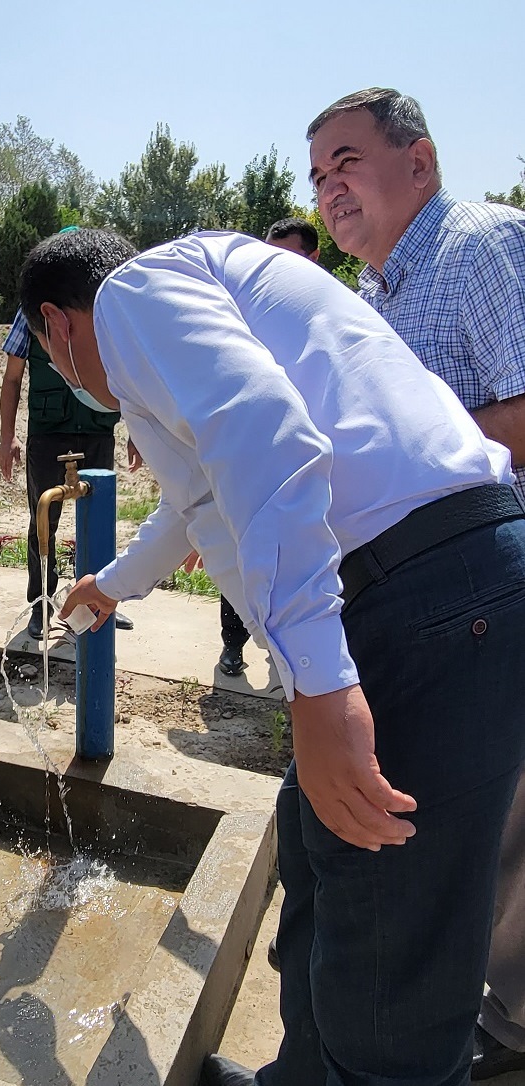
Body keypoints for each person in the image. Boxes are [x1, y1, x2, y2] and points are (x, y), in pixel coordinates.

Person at [18, 226, 525, 1086]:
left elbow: (266, 436)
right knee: (320, 858)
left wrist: (320, 684)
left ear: (57, 326)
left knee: (392, 966)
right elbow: (202, 495)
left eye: (45, 352)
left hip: (423, 598)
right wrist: (109, 585)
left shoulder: (131, 298)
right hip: (451, 586)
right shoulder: (195, 297)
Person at [308, 86, 525, 1082]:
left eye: (344, 161)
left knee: (496, 837)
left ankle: (495, 1035)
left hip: (490, 584)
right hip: (423, 606)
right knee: (451, 841)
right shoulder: (367, 298)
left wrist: (404, 470)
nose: (327, 188)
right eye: (316, 176)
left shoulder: (473, 249)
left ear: (419, 164)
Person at [210, 216, 322, 677]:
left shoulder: (330, 309)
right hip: (257, 450)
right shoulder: (248, 312)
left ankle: (297, 653)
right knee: (242, 546)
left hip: (310, 455)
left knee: (304, 555)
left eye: (287, 257)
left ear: (313, 259)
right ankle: (233, 643)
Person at [0, 305, 136, 641]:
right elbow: (13, 376)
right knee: (43, 522)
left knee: (98, 524)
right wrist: (7, 436)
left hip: (97, 429)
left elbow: (129, 373)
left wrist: (137, 431)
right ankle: (41, 605)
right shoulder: (30, 313)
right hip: (49, 433)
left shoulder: (104, 306)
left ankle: (98, 601)